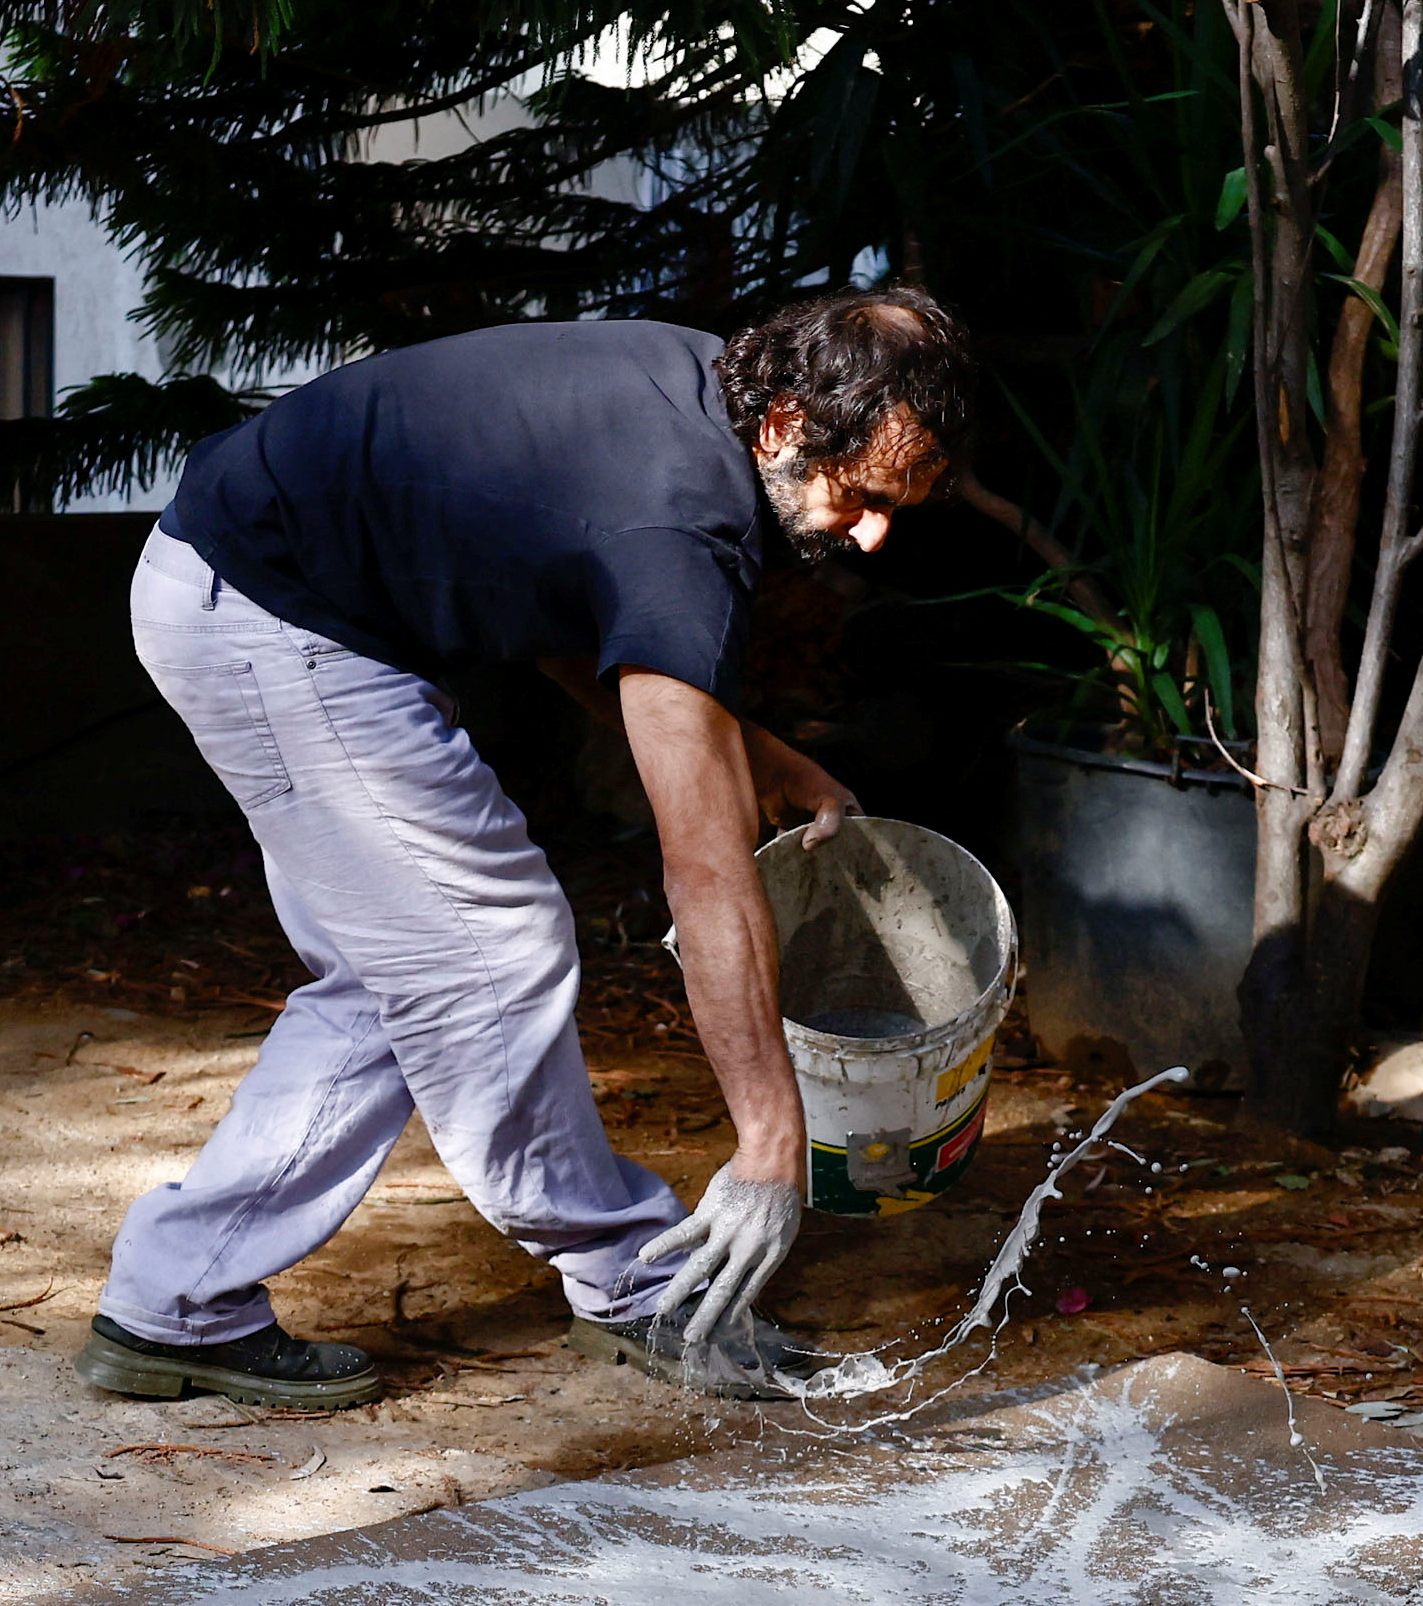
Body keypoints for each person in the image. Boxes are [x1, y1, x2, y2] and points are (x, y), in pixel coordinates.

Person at [77, 291, 971, 1410]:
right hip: (275, 614)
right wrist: (771, 1141)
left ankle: (177, 1299)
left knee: (394, 973)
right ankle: (636, 1279)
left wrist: (765, 755)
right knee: (489, 948)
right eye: (866, 495)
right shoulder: (679, 523)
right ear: (788, 420)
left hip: (244, 586)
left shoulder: (707, 389)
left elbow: (563, 616)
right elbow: (704, 868)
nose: (876, 534)